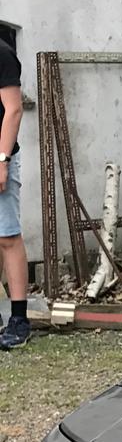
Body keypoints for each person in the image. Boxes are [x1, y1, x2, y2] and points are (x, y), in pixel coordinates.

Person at [0, 36, 30, 349]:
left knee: (7, 237)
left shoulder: (3, 54)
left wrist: (2, 160)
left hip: (1, 157)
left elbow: (14, 110)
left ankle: (19, 319)